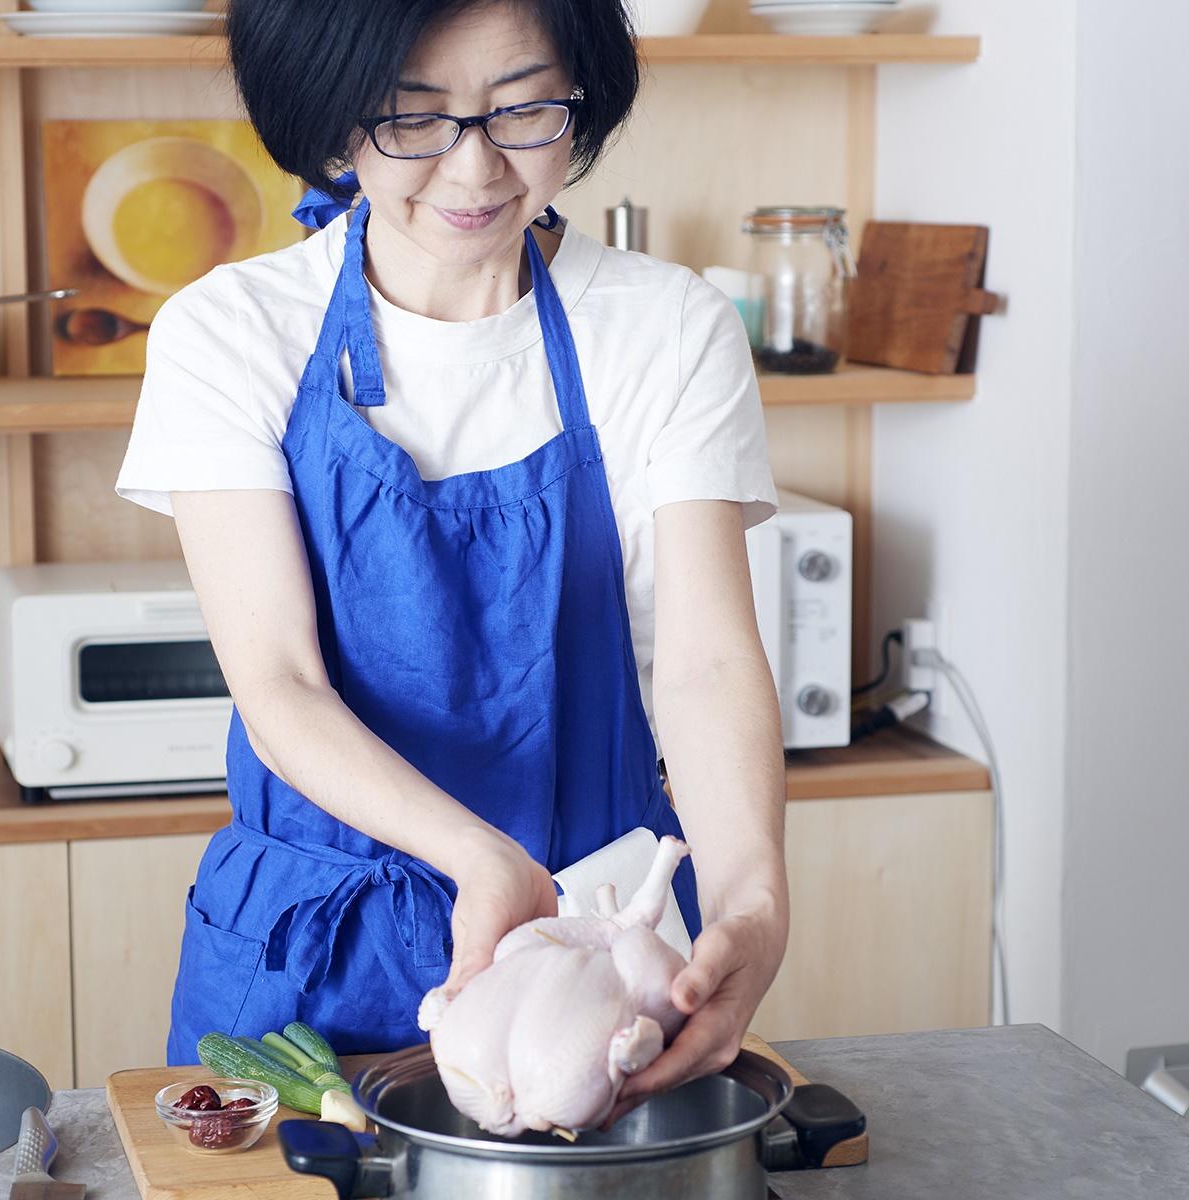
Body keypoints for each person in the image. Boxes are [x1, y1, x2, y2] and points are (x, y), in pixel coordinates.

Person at [115, 0, 789, 1106]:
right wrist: (481, 859)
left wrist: (754, 901)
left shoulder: (667, 329)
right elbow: (280, 683)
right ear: (334, 120)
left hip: (588, 946)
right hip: (310, 948)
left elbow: (708, 662)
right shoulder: (233, 332)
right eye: (411, 119)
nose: (475, 171)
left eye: (526, 110)